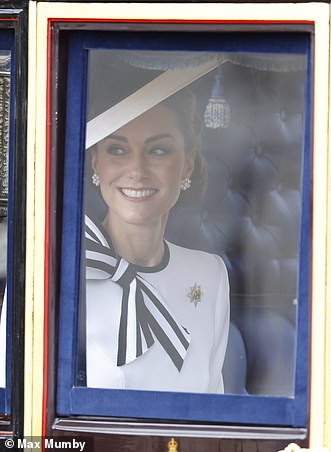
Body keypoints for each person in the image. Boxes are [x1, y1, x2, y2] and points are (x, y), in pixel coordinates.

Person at [84, 82, 230, 394]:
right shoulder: (51, 276)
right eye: (118, 150)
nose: (137, 169)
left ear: (187, 164)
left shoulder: (210, 275)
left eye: (158, 150)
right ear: (96, 161)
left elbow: (213, 412)